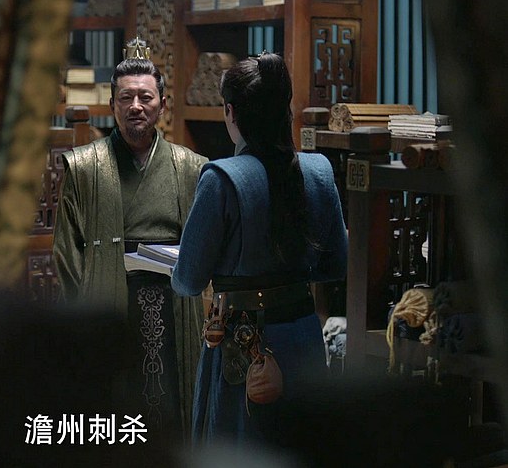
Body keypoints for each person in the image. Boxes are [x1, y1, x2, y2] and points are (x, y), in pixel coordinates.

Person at [171, 52, 348, 446]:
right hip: (303, 337)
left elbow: (187, 280)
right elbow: (335, 265)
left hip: (243, 344)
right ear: (285, 110)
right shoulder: (319, 171)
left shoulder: (220, 178)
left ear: (231, 111)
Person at [53, 37, 208, 440]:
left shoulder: (191, 168)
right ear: (112, 104)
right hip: (110, 302)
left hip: (174, 304)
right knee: (116, 412)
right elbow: (67, 253)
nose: (136, 106)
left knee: (171, 409)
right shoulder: (84, 167)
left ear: (162, 104)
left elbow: (205, 248)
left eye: (145, 97)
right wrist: (82, 321)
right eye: (126, 98)